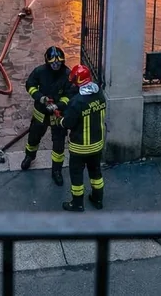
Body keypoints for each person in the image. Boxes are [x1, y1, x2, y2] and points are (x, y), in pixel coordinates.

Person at [22, 46, 74, 185]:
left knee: (58, 145)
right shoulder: (40, 71)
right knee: (33, 137)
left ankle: (56, 171)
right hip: (41, 113)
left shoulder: (67, 74)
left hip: (57, 116)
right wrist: (40, 97)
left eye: (58, 63)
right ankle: (29, 157)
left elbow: (70, 94)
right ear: (47, 61)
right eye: (53, 63)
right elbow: (30, 85)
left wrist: (59, 105)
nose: (56, 65)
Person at [61, 63, 107, 212]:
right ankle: (98, 199)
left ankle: (77, 204)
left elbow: (68, 123)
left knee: (76, 176)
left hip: (79, 147)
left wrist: (61, 120)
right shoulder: (99, 93)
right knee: (96, 173)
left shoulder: (76, 102)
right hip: (97, 144)